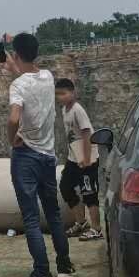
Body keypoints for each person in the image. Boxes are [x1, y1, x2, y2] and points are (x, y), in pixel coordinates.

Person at [3, 33, 74, 277]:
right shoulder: (48, 77)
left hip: (26, 156)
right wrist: (15, 55)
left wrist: (13, 139)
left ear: (17, 55)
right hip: (48, 155)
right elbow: (28, 78)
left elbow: (13, 118)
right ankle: (64, 265)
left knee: (31, 216)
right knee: (53, 213)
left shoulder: (18, 86)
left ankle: (42, 273)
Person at [55, 79, 102, 240]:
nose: (60, 97)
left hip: (87, 159)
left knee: (89, 193)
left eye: (63, 93)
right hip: (73, 158)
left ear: (73, 93)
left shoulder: (78, 110)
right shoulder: (64, 110)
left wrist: (87, 159)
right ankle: (81, 223)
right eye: (58, 94)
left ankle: (97, 229)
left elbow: (86, 133)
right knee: (65, 187)